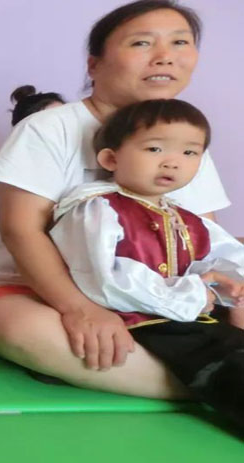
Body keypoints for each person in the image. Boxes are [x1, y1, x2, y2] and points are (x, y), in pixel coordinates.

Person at [0, 0, 236, 398]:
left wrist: (226, 295)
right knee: (24, 330)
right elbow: (21, 231)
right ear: (94, 65)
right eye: (142, 43)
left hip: (156, 297)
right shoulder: (49, 128)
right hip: (33, 292)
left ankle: (190, 374)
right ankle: (214, 381)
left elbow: (202, 240)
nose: (165, 56)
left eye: (180, 42)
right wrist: (80, 308)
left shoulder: (185, 140)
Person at [50, 99, 244, 430]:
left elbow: (221, 256)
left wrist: (221, 283)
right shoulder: (98, 209)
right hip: (142, 321)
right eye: (155, 149)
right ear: (111, 159)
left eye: (190, 152)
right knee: (224, 363)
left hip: (186, 313)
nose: (172, 162)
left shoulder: (184, 216)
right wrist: (195, 293)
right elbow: (105, 280)